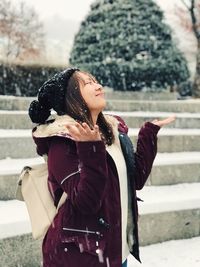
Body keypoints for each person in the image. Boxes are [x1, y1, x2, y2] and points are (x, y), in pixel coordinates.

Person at [28, 67, 175, 267]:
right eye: (88, 83)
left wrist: (148, 133)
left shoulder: (110, 133)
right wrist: (89, 148)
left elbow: (137, 179)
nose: (98, 86)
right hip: (81, 256)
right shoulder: (62, 142)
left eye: (95, 81)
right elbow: (87, 201)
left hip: (115, 250)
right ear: (71, 97)